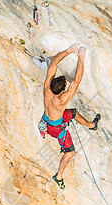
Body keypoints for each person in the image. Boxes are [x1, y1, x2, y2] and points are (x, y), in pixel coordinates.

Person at [43, 43, 99, 189]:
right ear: (62, 91)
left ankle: (92, 125)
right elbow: (76, 82)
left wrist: (69, 51)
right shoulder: (61, 101)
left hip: (49, 120)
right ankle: (59, 176)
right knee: (70, 152)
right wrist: (81, 58)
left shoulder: (47, 89)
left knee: (73, 113)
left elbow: (54, 63)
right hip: (56, 129)